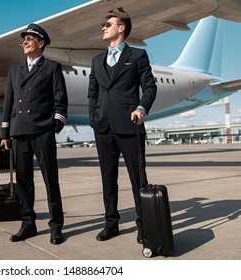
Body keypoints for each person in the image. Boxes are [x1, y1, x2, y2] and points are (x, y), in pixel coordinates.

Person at [87, 11, 157, 243]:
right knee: (108, 179)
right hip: (103, 128)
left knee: (138, 179)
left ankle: (144, 224)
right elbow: (93, 93)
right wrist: (93, 117)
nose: (103, 28)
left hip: (130, 125)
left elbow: (149, 87)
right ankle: (111, 223)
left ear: (122, 28)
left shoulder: (137, 56)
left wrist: (141, 108)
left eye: (108, 24)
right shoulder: (97, 60)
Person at [1, 23, 68, 245]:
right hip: (19, 131)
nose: (25, 42)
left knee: (51, 179)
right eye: (24, 39)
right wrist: (5, 133)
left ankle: (56, 226)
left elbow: (61, 101)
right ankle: (28, 224)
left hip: (42, 131)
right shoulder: (14, 71)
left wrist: (54, 125)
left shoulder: (51, 68)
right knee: (23, 181)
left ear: (41, 43)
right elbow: (8, 102)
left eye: (30, 39)